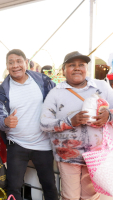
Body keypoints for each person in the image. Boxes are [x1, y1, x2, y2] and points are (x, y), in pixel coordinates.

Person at [40, 51, 113, 200]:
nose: (77, 68)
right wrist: (69, 122)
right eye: (72, 65)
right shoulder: (55, 93)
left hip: (95, 156)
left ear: (87, 68)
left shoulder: (101, 87)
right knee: (70, 197)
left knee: (91, 197)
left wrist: (109, 115)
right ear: (63, 70)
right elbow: (44, 124)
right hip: (68, 156)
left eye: (81, 65)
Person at [0, 49, 58, 200]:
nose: (15, 65)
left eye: (18, 61)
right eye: (11, 62)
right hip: (17, 144)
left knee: (49, 185)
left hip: (43, 143)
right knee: (13, 187)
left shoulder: (43, 80)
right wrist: (6, 122)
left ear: (26, 63)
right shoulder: (1, 91)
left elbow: (58, 97)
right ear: (7, 66)